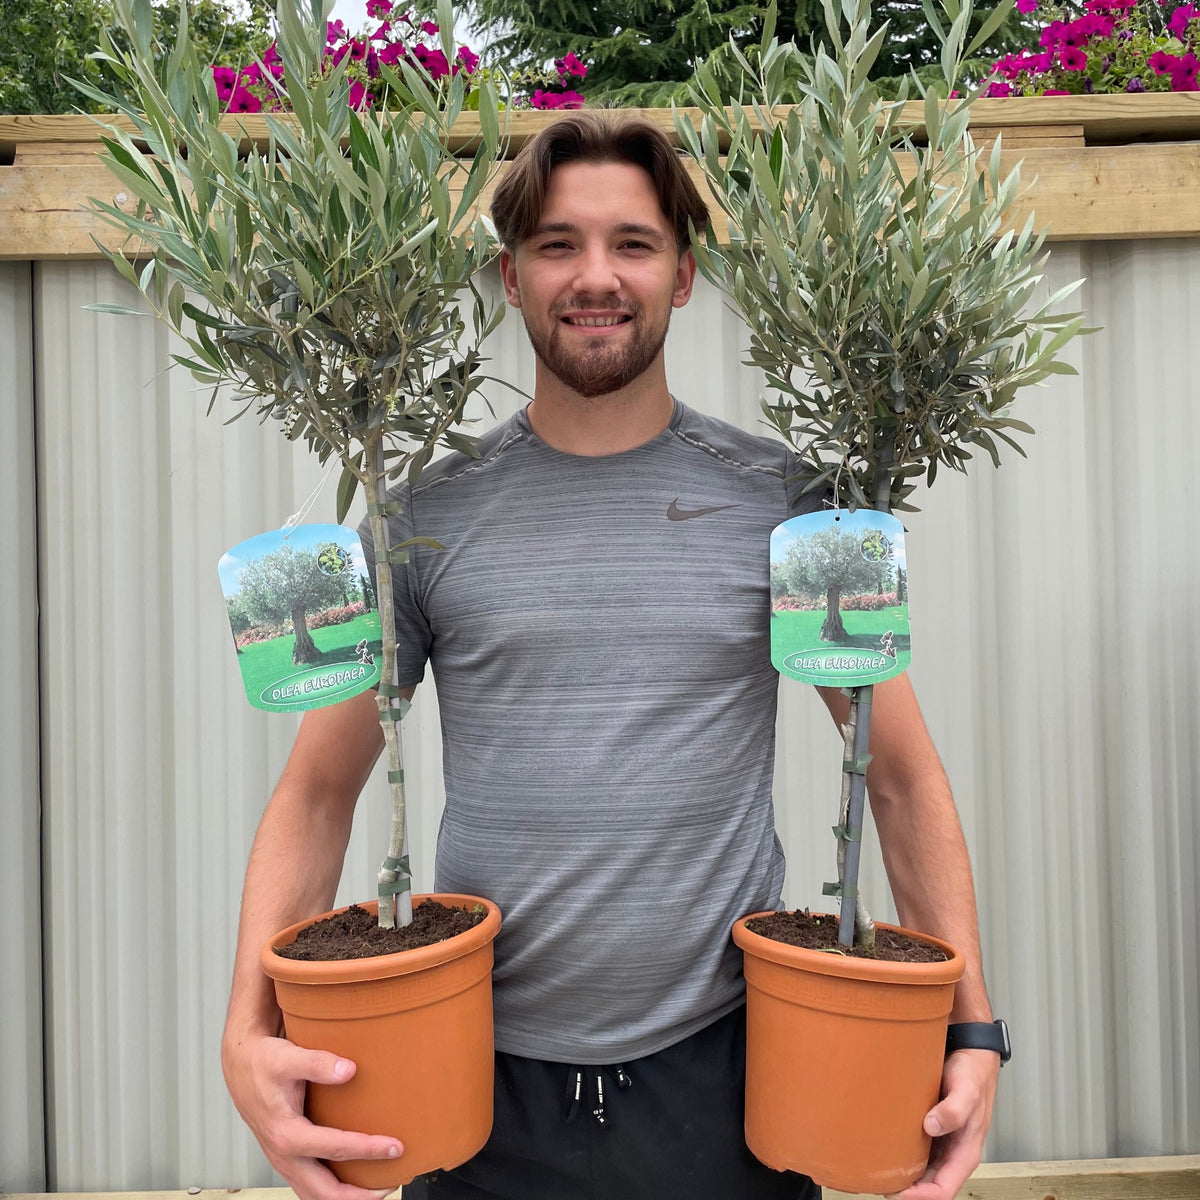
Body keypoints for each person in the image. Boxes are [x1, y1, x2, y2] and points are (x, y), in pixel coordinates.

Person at [221, 112, 1001, 1200]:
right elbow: (316, 795)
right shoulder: (417, 522)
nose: (597, 276)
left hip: (731, 1086)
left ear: (684, 274)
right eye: (557, 244)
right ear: (509, 276)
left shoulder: (794, 512)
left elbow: (904, 779)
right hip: (471, 1089)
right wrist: (245, 1031)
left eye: (633, 243)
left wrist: (976, 1031)